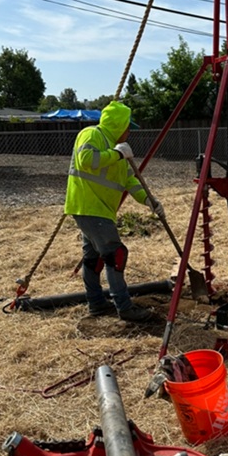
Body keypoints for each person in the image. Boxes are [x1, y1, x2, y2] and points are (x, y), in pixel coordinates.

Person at [64, 100, 163, 322]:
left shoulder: (119, 151)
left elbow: (131, 181)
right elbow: (86, 160)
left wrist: (150, 201)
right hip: (89, 207)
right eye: (127, 128)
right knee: (115, 255)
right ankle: (125, 308)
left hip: (98, 210)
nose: (129, 133)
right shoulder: (92, 134)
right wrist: (117, 154)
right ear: (118, 125)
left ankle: (97, 303)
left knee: (93, 258)